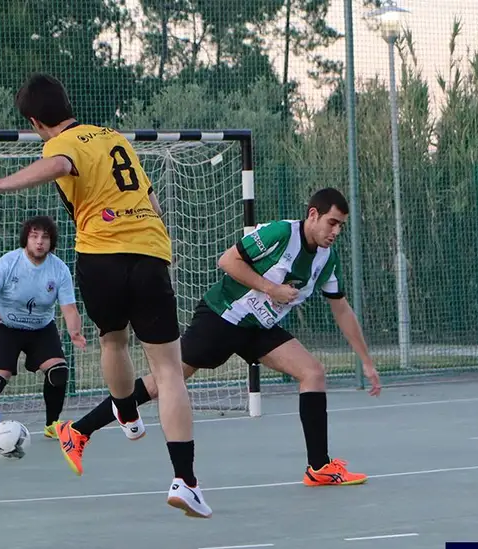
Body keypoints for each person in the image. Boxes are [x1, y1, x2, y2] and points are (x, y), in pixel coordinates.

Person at [0, 73, 209, 518]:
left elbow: (59, 165)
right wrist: (159, 245)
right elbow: (152, 203)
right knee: (169, 373)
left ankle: (126, 414)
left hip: (99, 258)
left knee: (112, 341)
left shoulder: (60, 144)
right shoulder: (115, 138)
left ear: (36, 120)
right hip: (147, 254)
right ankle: (185, 481)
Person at [58, 188, 381, 486]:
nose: (336, 231)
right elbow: (227, 261)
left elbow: (342, 310)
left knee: (312, 372)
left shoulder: (327, 260)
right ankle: (78, 430)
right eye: (332, 222)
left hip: (259, 327)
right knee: (165, 381)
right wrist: (271, 288)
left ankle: (319, 467)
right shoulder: (282, 233)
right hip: (224, 317)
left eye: (340, 226)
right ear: (313, 214)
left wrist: (366, 362)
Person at [0, 215, 86, 446]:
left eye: (45, 237)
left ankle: (52, 424)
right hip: (5, 326)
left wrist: (75, 331)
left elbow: (69, 308)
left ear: (51, 242)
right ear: (26, 239)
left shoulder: (59, 270)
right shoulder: (8, 262)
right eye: (34, 236)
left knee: (59, 372)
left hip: (41, 328)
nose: (39, 242)